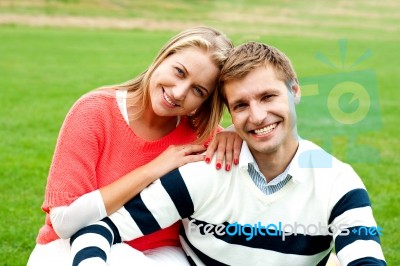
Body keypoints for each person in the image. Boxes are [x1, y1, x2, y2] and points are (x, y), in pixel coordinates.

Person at [69, 42, 386, 265]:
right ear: (230, 115)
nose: (258, 115)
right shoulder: (204, 172)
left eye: (268, 96)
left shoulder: (337, 182)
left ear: (296, 90)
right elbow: (98, 230)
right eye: (241, 106)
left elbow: (366, 257)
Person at [27, 26, 243, 266]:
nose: (180, 92)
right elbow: (65, 221)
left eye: (198, 90)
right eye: (179, 72)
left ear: (205, 102)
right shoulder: (94, 112)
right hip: (65, 247)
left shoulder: (202, 137)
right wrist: (153, 169)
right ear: (163, 58)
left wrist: (235, 131)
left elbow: (269, 139)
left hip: (159, 253)